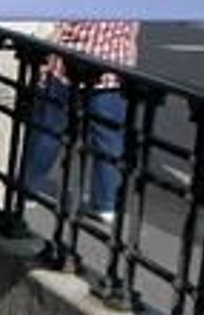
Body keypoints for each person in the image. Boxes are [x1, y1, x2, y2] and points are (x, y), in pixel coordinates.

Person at [21, 19, 140, 219]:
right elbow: (133, 31)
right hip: (112, 69)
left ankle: (28, 187)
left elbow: (61, 25)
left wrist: (46, 62)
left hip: (68, 65)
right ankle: (105, 203)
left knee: (48, 131)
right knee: (108, 140)